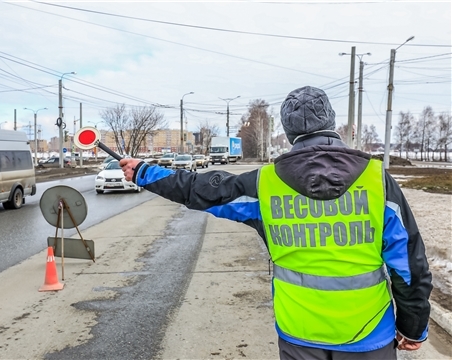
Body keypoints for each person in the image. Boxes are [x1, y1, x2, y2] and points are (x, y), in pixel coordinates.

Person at [120, 86, 432, 359]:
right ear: (332, 123)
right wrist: (413, 327)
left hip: (299, 333)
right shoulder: (376, 181)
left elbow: (201, 190)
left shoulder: (265, 184)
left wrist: (146, 172)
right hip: (369, 335)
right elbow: (409, 267)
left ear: (288, 129)